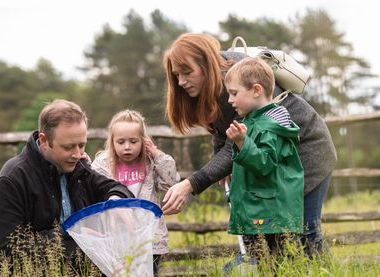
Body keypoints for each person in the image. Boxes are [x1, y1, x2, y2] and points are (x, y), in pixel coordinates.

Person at [161, 33, 337, 256]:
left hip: (307, 153)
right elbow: (222, 129)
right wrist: (221, 162)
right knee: (274, 241)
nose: (181, 82)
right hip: (270, 159)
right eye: (177, 75)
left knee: (305, 235)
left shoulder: (236, 83)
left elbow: (235, 142)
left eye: (187, 73)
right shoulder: (219, 86)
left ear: (206, 64)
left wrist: (190, 184)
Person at [0, 99, 135, 257]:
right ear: (44, 140)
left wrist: (116, 200)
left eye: (81, 145)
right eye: (68, 147)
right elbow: (8, 247)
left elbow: (115, 188)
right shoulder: (12, 179)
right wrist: (71, 234)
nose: (78, 154)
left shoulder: (79, 167)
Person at [224, 57, 303, 258]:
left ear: (256, 90)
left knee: (278, 260)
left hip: (271, 210)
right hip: (262, 207)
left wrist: (242, 143)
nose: (229, 100)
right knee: (265, 261)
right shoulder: (253, 121)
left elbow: (265, 164)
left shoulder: (270, 126)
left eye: (234, 93)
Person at [91, 109, 179, 275]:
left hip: (149, 236)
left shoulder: (151, 162)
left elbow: (171, 184)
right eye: (121, 142)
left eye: (133, 141)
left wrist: (158, 156)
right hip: (115, 236)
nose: (127, 147)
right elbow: (94, 190)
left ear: (143, 141)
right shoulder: (103, 163)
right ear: (112, 142)